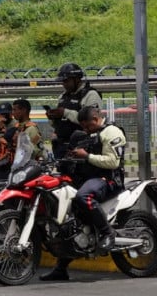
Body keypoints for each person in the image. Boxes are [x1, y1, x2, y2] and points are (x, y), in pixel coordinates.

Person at [40, 106, 126, 282]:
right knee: (67, 221)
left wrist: (86, 156)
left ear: (95, 119)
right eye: (83, 127)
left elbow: (113, 162)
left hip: (107, 179)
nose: (85, 130)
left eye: (87, 126)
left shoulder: (112, 132)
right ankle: (61, 268)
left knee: (82, 197)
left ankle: (107, 232)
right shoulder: (84, 135)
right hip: (87, 179)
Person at [46, 62, 103, 159]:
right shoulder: (63, 96)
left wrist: (65, 112)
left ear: (76, 79)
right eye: (63, 82)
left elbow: (91, 120)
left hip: (80, 146)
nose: (64, 84)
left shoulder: (90, 95)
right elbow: (57, 123)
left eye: (66, 81)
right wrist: (52, 117)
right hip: (61, 146)